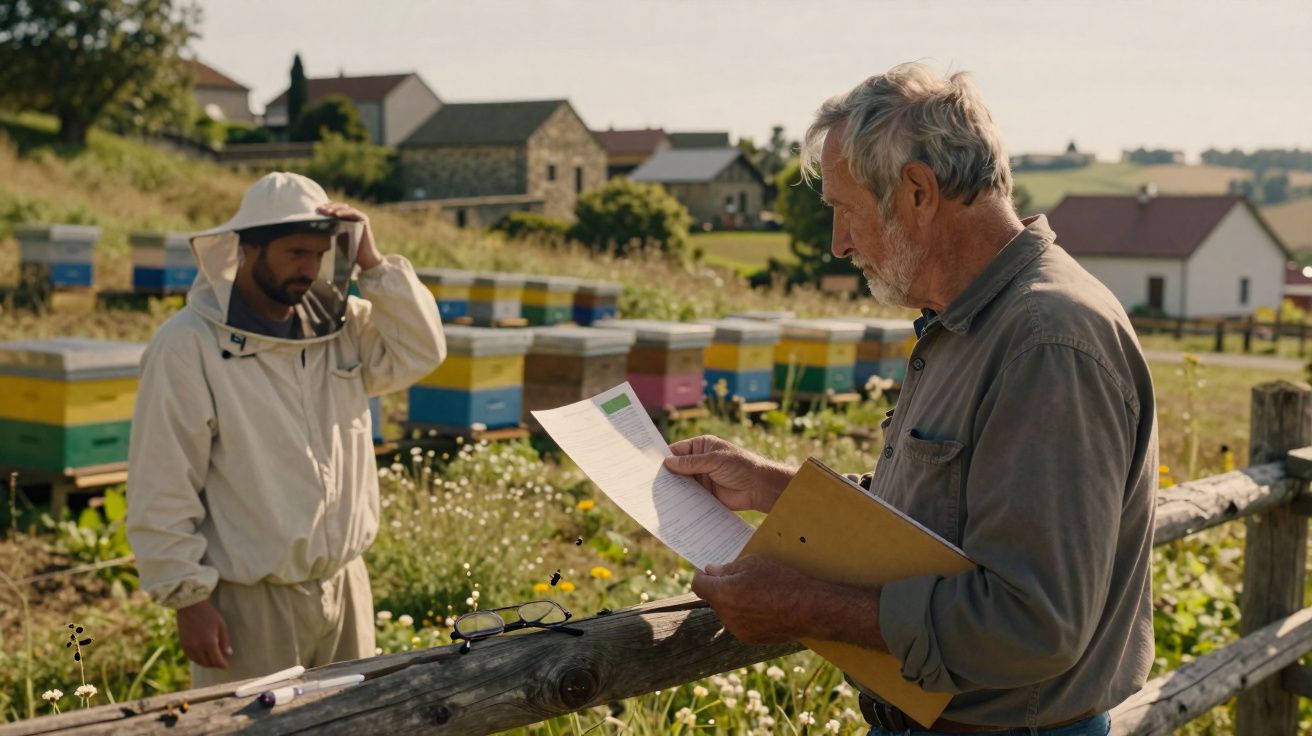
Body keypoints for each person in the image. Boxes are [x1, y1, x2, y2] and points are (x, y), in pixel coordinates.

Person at [664, 63, 1155, 735]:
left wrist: (805, 607)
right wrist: (770, 488)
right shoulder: (974, 318)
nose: (838, 242)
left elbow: (1034, 625)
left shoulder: (1047, 341)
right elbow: (942, 520)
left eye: (845, 210)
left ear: (919, 191)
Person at [126, 172, 447, 687]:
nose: (309, 268)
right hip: (251, 605)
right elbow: (161, 481)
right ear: (247, 249)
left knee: (358, 726)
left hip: (345, 586)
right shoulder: (188, 345)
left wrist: (372, 261)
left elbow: (422, 350)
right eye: (296, 252)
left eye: (320, 254)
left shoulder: (343, 324)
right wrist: (188, 598)